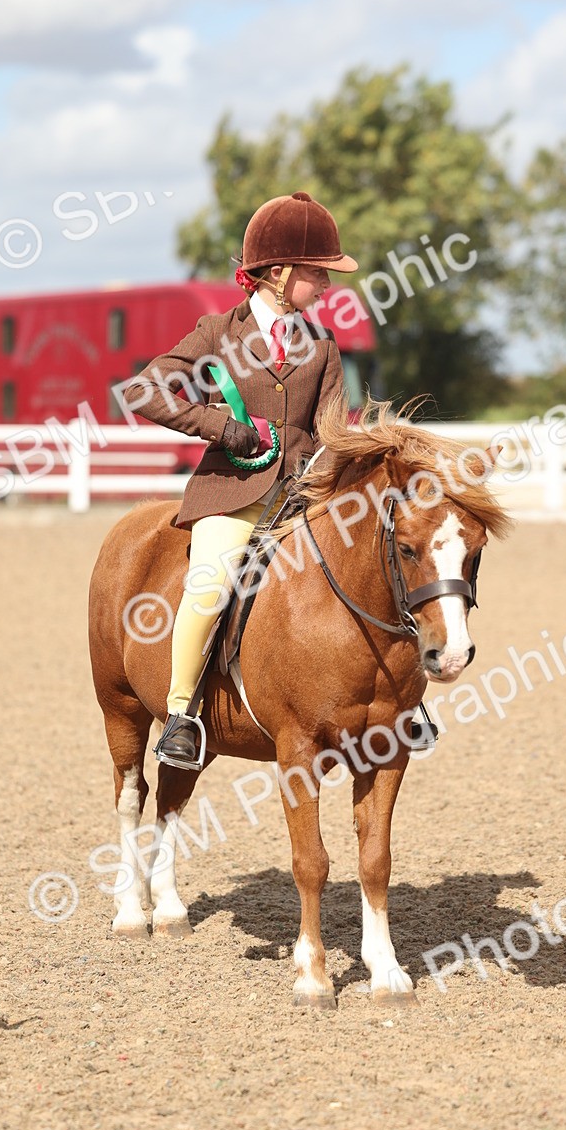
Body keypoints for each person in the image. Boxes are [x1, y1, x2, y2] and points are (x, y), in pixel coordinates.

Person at [123, 190, 358, 767]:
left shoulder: (322, 346)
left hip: (303, 499)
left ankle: (393, 702)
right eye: (318, 273)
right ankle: (181, 715)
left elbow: (333, 430)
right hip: (232, 494)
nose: (328, 285)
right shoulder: (216, 333)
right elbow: (142, 391)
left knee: (375, 566)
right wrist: (223, 428)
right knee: (208, 585)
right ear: (278, 274)